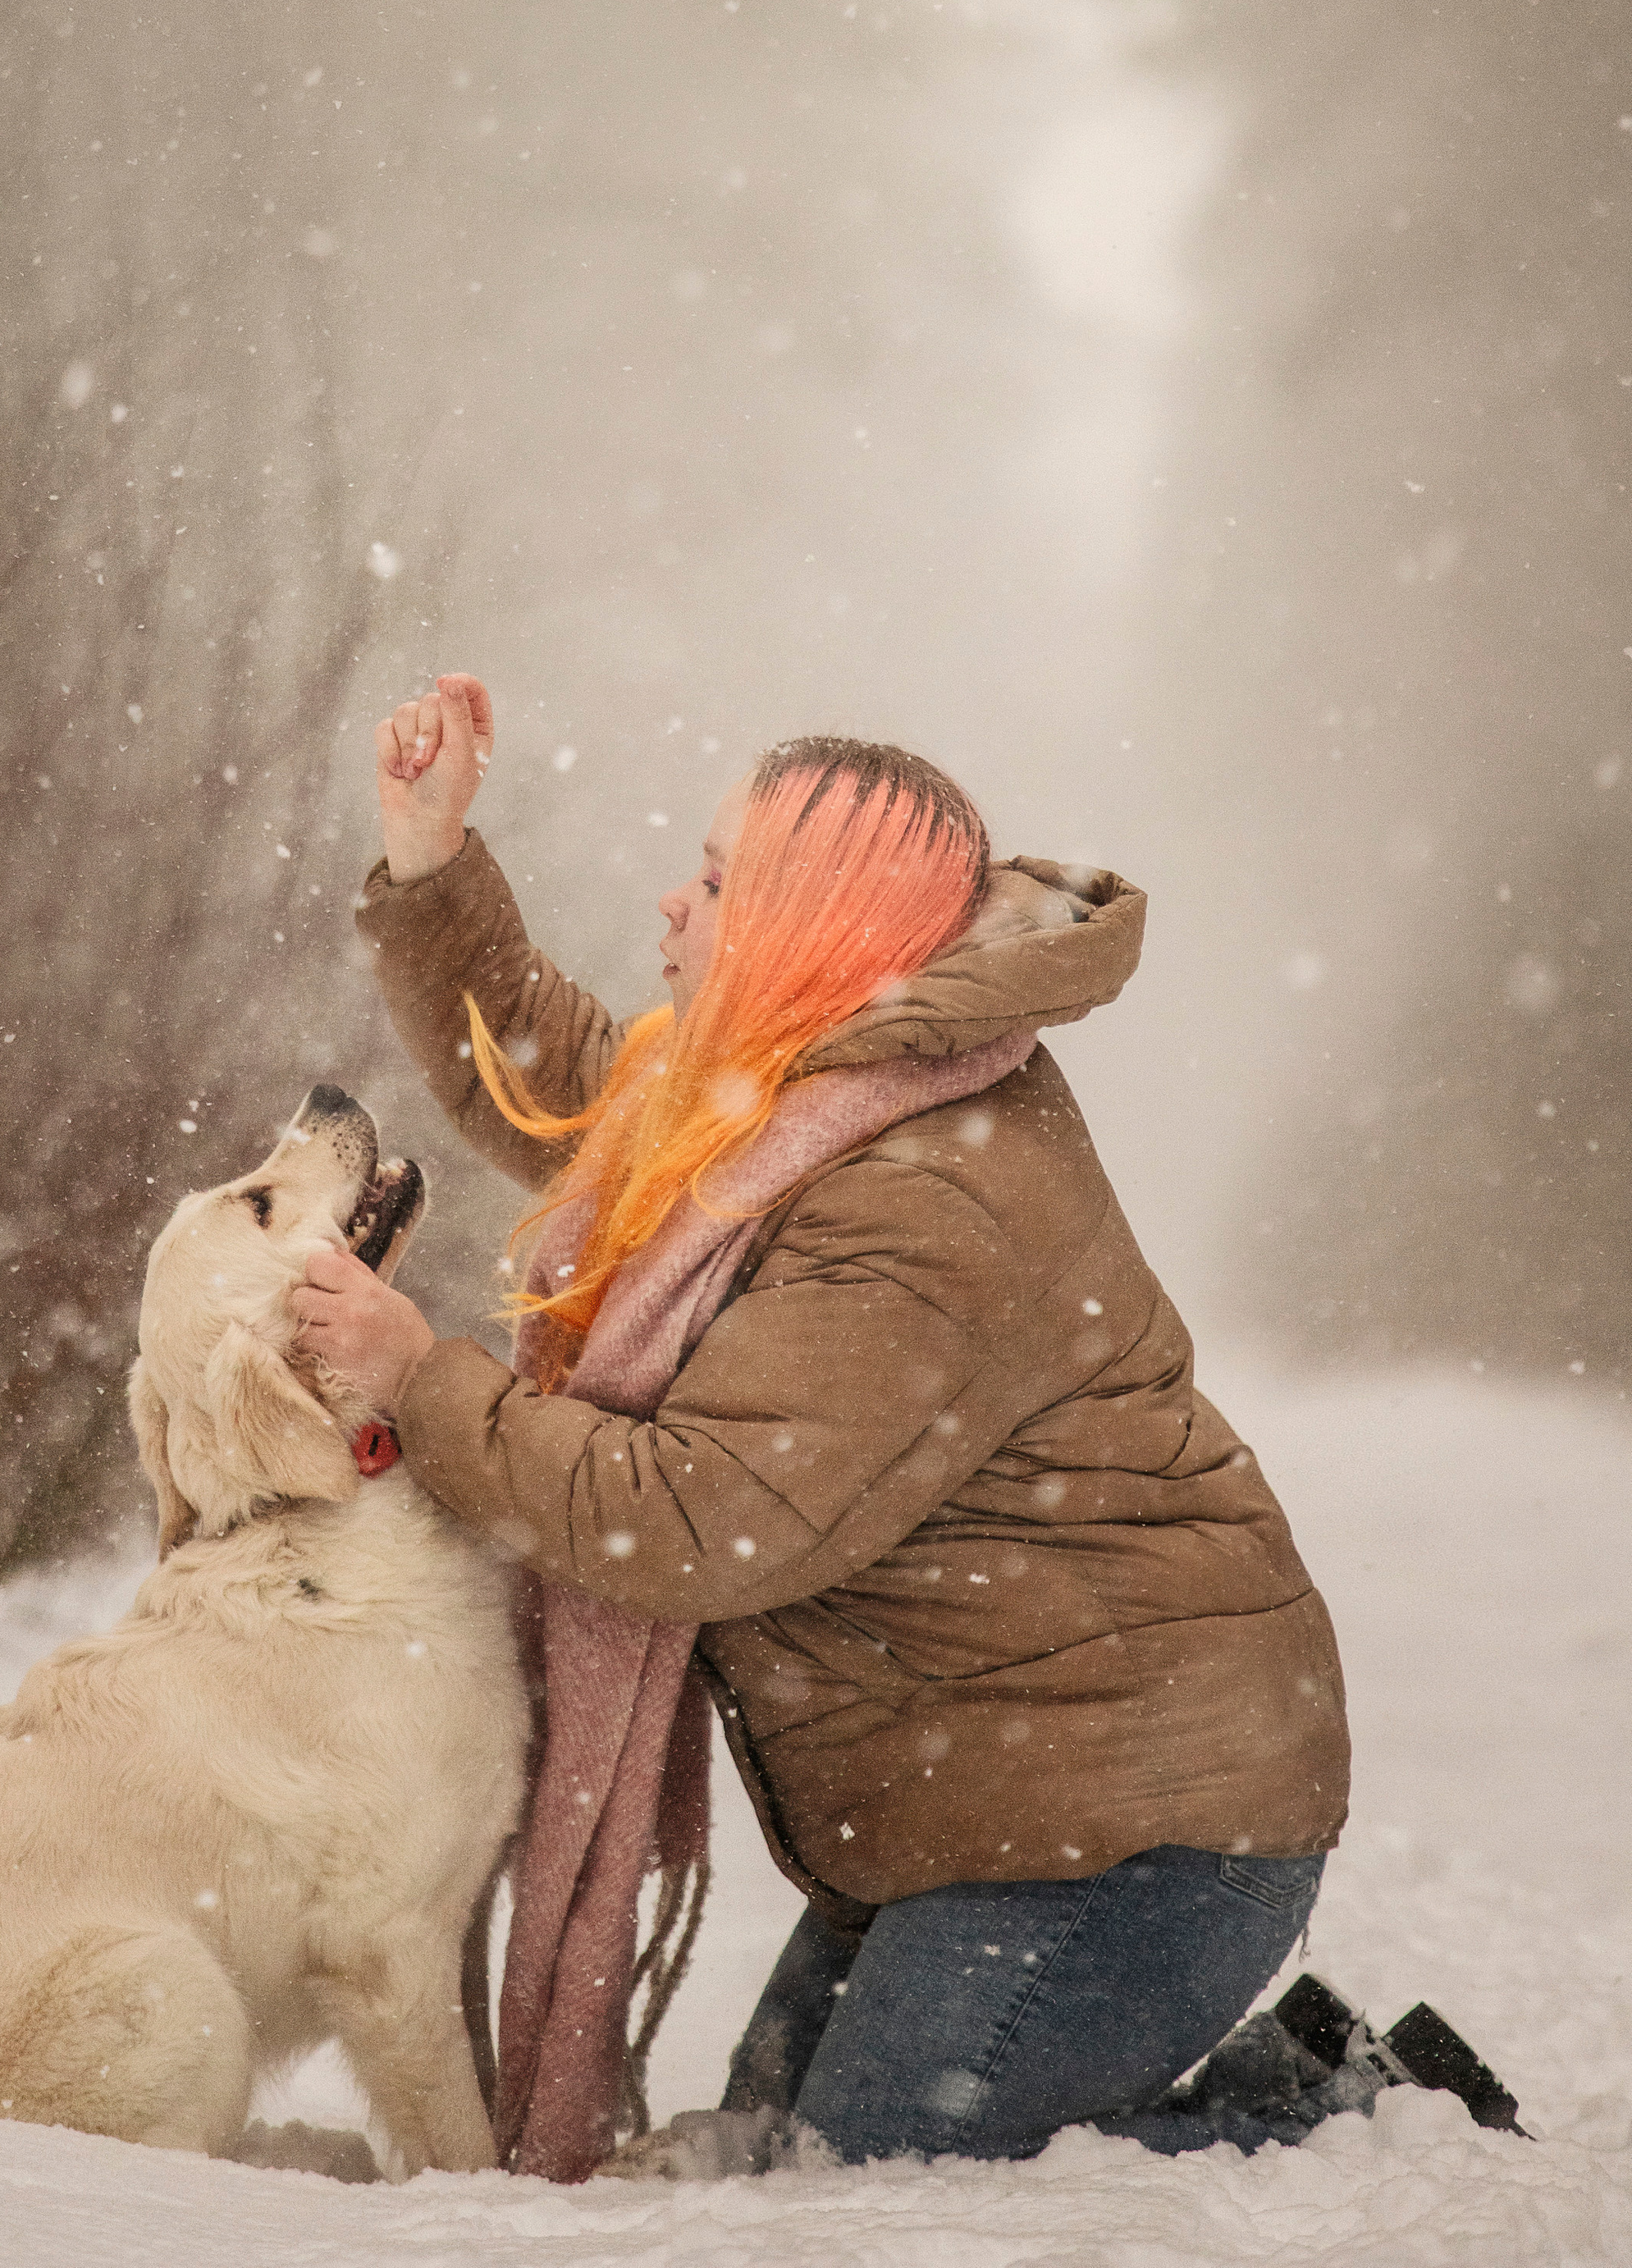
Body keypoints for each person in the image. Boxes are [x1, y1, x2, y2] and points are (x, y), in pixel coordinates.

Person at [294, 673, 1363, 2177]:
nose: (675, 904)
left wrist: (424, 1378)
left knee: (850, 2203)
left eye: (721, 879)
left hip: (1136, 1837)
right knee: (751, 2162)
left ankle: (1334, 2118)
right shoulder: (788, 1092)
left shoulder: (925, 1188)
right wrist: (431, 857)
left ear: (817, 923)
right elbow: (564, 1085)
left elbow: (682, 1516)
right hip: (971, 1802)